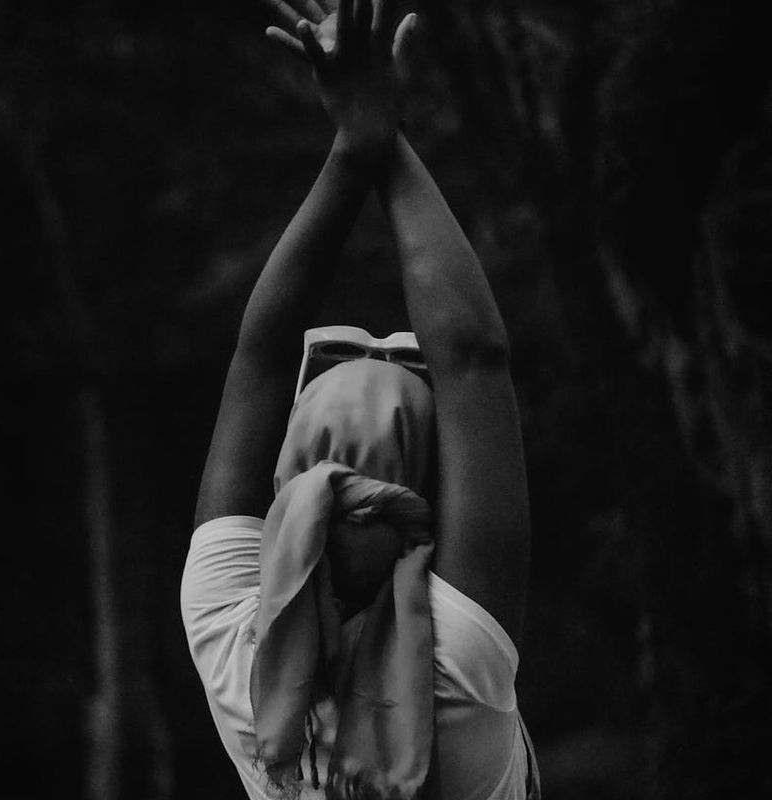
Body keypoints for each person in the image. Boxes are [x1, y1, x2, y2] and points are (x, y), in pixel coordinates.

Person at [180, 1, 540, 798]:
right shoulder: (456, 667)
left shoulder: (235, 644)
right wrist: (377, 135)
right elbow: (474, 358)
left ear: (280, 486)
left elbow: (257, 358)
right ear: (440, 495)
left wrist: (355, 144)